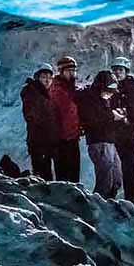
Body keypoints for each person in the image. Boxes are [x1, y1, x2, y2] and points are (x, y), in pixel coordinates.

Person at [77, 69, 128, 198]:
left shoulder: (102, 98)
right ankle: (97, 208)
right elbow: (93, 119)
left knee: (116, 180)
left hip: (109, 141)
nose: (111, 94)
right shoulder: (89, 99)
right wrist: (112, 116)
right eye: (109, 90)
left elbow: (104, 118)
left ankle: (108, 205)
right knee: (105, 181)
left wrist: (118, 117)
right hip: (98, 142)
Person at [110, 56, 134, 202]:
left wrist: (126, 121)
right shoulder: (112, 89)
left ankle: (131, 197)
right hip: (115, 134)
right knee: (117, 165)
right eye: (115, 70)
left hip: (127, 134)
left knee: (128, 165)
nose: (117, 73)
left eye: (120, 70)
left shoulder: (132, 90)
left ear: (126, 71)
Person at [19, 63, 60, 180]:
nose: (47, 80)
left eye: (49, 78)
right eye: (43, 77)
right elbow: (31, 116)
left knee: (47, 174)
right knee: (43, 174)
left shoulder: (46, 94)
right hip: (38, 141)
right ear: (37, 78)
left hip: (49, 141)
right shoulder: (32, 92)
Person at [49, 55, 82, 183]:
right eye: (69, 70)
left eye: (74, 70)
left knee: (74, 174)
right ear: (62, 71)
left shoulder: (71, 88)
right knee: (63, 175)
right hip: (60, 140)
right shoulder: (56, 89)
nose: (72, 73)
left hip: (72, 137)